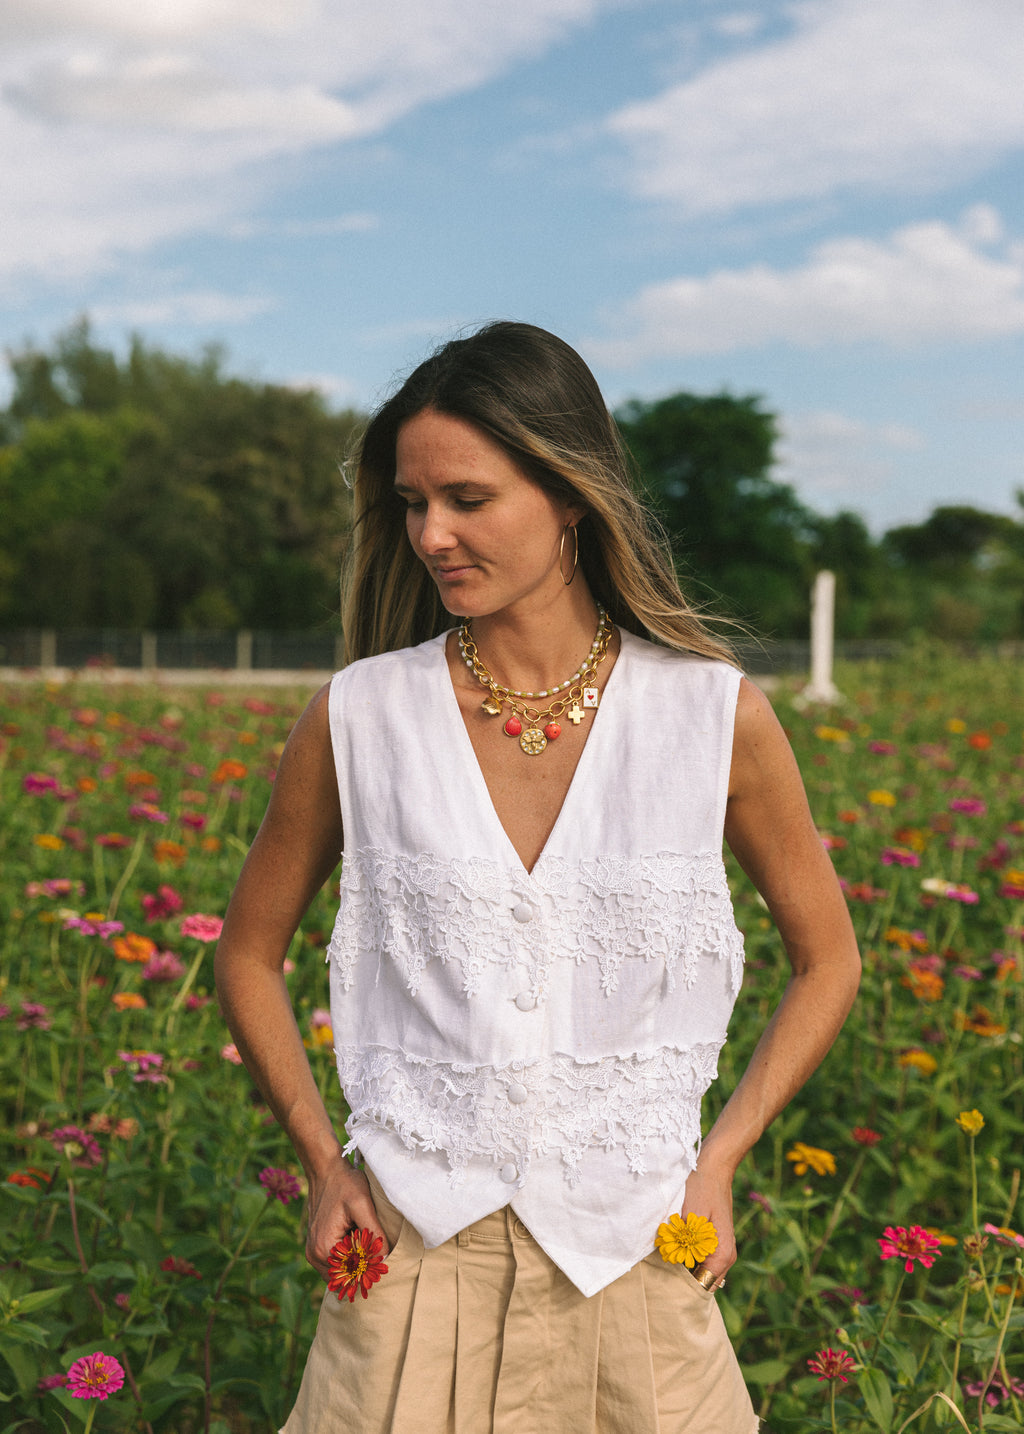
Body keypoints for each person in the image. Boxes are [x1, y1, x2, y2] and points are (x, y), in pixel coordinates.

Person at [214, 321, 860, 1434]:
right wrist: (324, 1161)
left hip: (637, 1265)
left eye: (467, 499)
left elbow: (829, 959)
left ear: (569, 494)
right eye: (414, 504)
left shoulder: (711, 717)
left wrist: (721, 1160)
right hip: (409, 1262)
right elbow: (245, 952)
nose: (430, 535)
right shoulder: (358, 716)